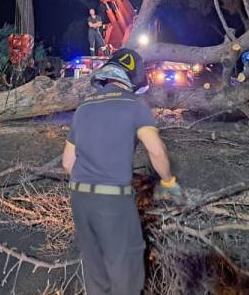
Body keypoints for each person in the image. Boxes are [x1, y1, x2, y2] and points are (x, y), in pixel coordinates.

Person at [62, 49, 184, 295]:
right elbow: (157, 151)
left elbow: (67, 162)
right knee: (126, 274)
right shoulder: (135, 104)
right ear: (133, 78)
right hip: (113, 202)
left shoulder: (84, 108)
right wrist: (168, 182)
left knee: (96, 273)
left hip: (80, 199)